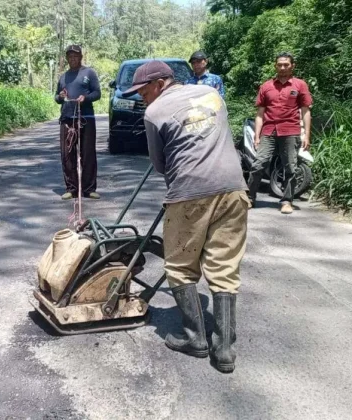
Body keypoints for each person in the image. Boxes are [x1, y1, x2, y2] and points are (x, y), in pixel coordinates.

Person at [122, 60, 249, 374]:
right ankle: (225, 350)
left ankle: (195, 338)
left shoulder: (154, 112)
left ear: (160, 84)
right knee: (224, 265)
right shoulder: (212, 94)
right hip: (233, 188)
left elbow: (160, 164)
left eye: (144, 92)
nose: (143, 100)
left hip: (189, 193)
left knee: (179, 265)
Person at [248, 52, 313, 214]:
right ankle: (250, 198)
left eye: (286, 65)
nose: (283, 67)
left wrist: (307, 135)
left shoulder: (300, 85)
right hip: (268, 131)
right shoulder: (266, 86)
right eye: (280, 65)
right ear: (275, 66)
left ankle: (287, 201)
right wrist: (257, 135)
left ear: (292, 66)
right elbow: (260, 114)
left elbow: (305, 111)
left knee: (290, 167)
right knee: (258, 164)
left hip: (290, 130)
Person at [54, 44, 101, 200]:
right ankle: (71, 189)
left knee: (88, 153)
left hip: (86, 118)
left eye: (75, 56)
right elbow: (57, 98)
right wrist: (60, 96)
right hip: (67, 118)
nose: (73, 58)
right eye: (70, 56)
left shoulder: (89, 73)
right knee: (67, 154)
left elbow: (97, 93)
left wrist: (85, 98)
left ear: (81, 57)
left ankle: (89, 189)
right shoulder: (63, 77)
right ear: (67, 59)